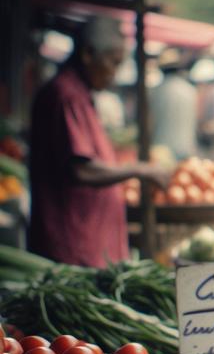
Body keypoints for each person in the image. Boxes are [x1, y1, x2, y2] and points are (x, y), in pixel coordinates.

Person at [28, 16, 171, 267]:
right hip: (73, 244)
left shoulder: (79, 94)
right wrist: (140, 169)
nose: (114, 74)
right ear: (88, 54)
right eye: (113, 63)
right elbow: (82, 169)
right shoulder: (66, 95)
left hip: (88, 242)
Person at [149, 48, 198, 160]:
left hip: (162, 150)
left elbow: (150, 121)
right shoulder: (190, 90)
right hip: (186, 147)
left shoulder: (156, 91)